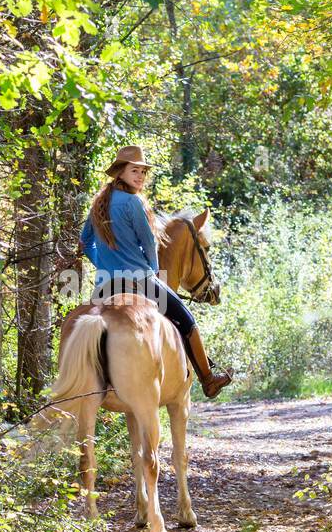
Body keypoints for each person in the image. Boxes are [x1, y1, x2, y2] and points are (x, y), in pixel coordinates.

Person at [75, 145, 232, 398]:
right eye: (134, 170)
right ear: (120, 173)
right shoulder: (134, 202)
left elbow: (85, 243)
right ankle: (209, 379)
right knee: (187, 319)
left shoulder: (98, 203)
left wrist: (103, 264)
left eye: (142, 172)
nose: (139, 176)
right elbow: (149, 242)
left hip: (104, 285)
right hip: (141, 280)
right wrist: (156, 274)